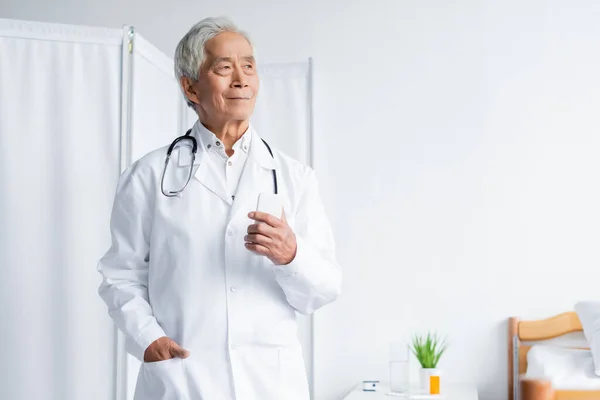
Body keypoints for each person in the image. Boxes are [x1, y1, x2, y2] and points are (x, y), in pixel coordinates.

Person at [97, 16, 341, 400]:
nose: (241, 79)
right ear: (190, 86)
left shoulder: (293, 176)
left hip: (269, 383)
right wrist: (149, 338)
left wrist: (291, 255)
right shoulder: (148, 176)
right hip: (183, 380)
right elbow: (120, 275)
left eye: (248, 66)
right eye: (224, 68)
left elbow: (326, 287)